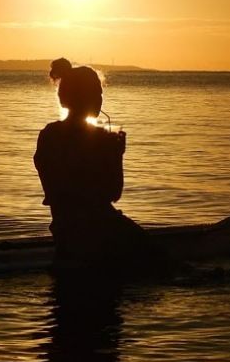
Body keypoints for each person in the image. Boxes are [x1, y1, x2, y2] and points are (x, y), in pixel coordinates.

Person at [34, 58, 157, 270]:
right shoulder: (99, 139)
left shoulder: (48, 135)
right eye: (97, 93)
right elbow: (113, 193)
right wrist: (117, 153)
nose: (101, 99)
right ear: (89, 98)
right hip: (101, 231)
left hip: (65, 231)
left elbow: (55, 188)